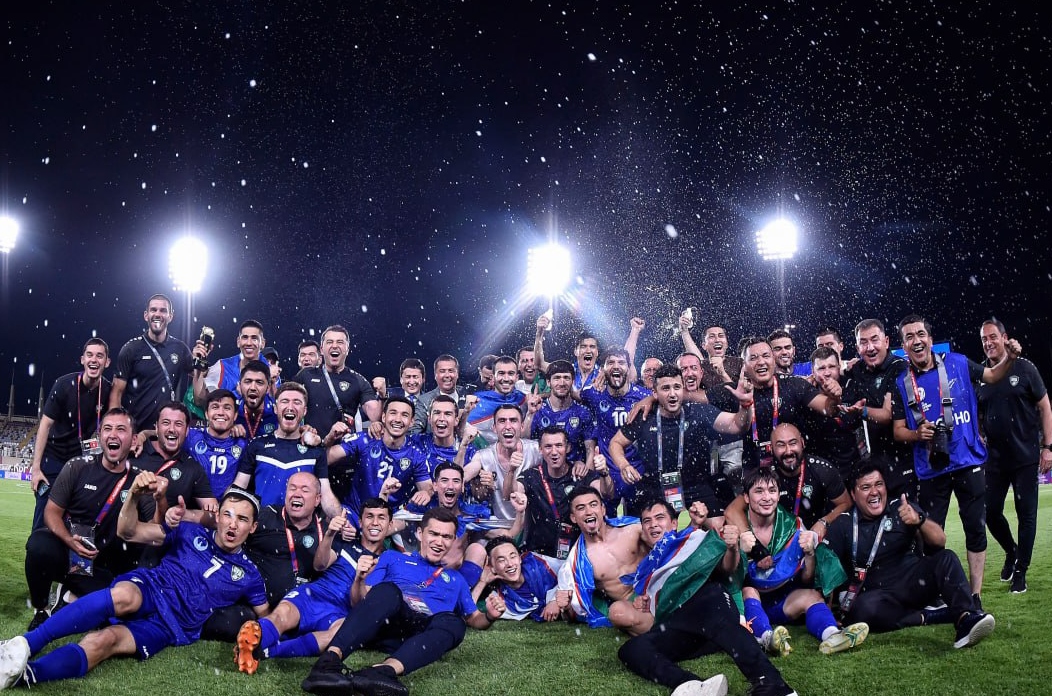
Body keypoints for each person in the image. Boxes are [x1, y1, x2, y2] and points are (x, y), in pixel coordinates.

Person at [0, 479, 267, 688]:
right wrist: (137, 497)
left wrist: (257, 641)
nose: (233, 524)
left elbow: (268, 619)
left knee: (105, 641)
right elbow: (129, 532)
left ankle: (20, 675)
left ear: (253, 527)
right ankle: (27, 643)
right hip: (152, 587)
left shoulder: (250, 575)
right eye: (228, 515)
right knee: (125, 596)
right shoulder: (189, 531)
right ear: (218, 516)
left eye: (242, 519)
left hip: (172, 626)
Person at [300, 507, 506, 696]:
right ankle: (328, 662)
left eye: (446, 537)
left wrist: (489, 615)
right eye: (434, 534)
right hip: (387, 623)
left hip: (420, 635)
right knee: (388, 591)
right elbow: (361, 602)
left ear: (453, 541)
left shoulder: (456, 579)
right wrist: (359, 579)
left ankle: (382, 672)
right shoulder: (392, 557)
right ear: (420, 534)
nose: (439, 541)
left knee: (455, 622)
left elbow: (474, 618)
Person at [891, 313, 1021, 598]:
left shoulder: (958, 363)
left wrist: (1009, 359)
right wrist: (917, 434)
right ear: (903, 345)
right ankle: (936, 595)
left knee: (975, 530)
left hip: (967, 460)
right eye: (909, 337)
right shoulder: (902, 382)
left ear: (930, 339)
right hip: (931, 468)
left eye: (920, 334)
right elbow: (898, 430)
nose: (916, 340)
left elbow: (992, 376)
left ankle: (975, 596)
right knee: (931, 536)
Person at [618, 499, 799, 696]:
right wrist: (643, 602)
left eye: (659, 518)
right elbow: (652, 601)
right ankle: (693, 685)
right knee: (632, 649)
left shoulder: (697, 538)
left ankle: (773, 685)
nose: (653, 524)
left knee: (712, 605)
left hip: (709, 603)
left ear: (674, 523)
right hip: (682, 625)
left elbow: (727, 568)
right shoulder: (647, 568)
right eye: (647, 521)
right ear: (643, 530)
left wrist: (732, 548)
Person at [823, 461, 995, 648]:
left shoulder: (901, 507)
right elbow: (828, 573)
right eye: (866, 487)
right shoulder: (843, 524)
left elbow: (939, 540)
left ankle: (966, 618)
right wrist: (829, 619)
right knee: (863, 610)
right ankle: (933, 616)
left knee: (946, 558)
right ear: (853, 494)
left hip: (914, 584)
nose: (874, 492)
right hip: (879, 596)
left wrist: (919, 520)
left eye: (879, 484)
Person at [23, 408, 156, 631]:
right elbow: (51, 513)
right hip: (72, 556)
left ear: (134, 440)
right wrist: (68, 540)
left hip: (107, 566)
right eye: (107, 428)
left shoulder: (139, 480)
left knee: (115, 617)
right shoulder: (77, 467)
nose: (113, 434)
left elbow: (154, 528)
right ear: (100, 435)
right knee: (38, 544)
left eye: (121, 429)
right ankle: (41, 609)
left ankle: (70, 594)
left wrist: (161, 500)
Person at [233, 498, 392, 673]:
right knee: (282, 613)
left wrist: (359, 578)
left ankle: (261, 651)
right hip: (314, 594)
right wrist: (330, 534)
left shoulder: (389, 562)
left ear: (390, 524)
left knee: (337, 637)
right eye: (369, 516)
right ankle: (253, 641)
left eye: (381, 517)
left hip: (341, 612)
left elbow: (359, 604)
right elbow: (319, 565)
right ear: (360, 522)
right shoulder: (345, 543)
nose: (375, 522)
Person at [736, 468, 865, 656]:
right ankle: (766, 639)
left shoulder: (794, 526)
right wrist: (739, 551)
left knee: (812, 595)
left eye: (772, 490)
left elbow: (806, 579)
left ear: (778, 495)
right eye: (759, 491)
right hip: (750, 605)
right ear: (746, 498)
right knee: (748, 590)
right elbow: (728, 579)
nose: (767, 497)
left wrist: (810, 553)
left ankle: (833, 635)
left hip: (783, 603)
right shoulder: (737, 528)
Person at [608, 364, 752, 519]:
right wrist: (623, 465)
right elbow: (615, 443)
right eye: (665, 388)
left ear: (683, 389)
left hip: (696, 487)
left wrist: (745, 406)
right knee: (646, 529)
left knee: (718, 526)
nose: (672, 394)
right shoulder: (644, 416)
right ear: (655, 393)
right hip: (656, 488)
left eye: (676, 387)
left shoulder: (699, 412)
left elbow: (737, 425)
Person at [975, 318, 1052, 594]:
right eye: (984, 339)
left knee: (1026, 515)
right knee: (990, 511)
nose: (988, 343)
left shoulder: (1025, 367)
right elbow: (977, 413)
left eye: (992, 337)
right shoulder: (982, 375)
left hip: (1025, 457)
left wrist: (1048, 447)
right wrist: (979, 435)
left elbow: (1045, 407)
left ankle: (1021, 571)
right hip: (995, 460)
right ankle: (1012, 551)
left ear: (1004, 337)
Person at [29, 339, 113, 530]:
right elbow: (45, 425)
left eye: (99, 356)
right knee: (43, 519)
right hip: (53, 460)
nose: (94, 360)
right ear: (82, 359)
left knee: (75, 521)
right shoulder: (64, 384)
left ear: (107, 362)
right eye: (89, 355)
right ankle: (38, 546)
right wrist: (36, 468)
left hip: (81, 464)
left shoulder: (108, 391)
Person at [233, 382, 342, 518]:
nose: (290, 407)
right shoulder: (257, 445)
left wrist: (341, 521)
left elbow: (325, 494)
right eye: (285, 401)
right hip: (263, 525)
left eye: (297, 402)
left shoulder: (315, 450)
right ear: (275, 408)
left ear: (305, 411)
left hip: (301, 526)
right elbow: (239, 488)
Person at [737, 338, 847, 471]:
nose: (761, 362)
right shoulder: (736, 392)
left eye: (766, 356)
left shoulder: (794, 385)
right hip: (755, 471)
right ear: (744, 364)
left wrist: (835, 397)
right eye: (753, 358)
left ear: (773, 359)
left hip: (795, 467)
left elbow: (829, 409)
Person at [724, 423, 851, 537]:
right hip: (777, 538)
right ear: (771, 449)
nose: (788, 451)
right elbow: (732, 511)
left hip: (813, 535)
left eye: (793, 443)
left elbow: (846, 503)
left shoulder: (822, 469)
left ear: (802, 443)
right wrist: (752, 543)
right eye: (781, 445)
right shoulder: (765, 474)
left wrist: (824, 522)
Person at [325, 396, 432, 525]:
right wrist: (329, 438)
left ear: (411, 422)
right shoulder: (365, 440)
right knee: (333, 522)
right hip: (354, 515)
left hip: (391, 520)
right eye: (393, 413)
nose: (398, 419)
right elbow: (325, 459)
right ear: (383, 417)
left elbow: (427, 487)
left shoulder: (416, 454)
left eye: (404, 415)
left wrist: (426, 493)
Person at [555, 486, 649, 629]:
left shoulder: (632, 529)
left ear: (603, 509)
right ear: (573, 518)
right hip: (632, 606)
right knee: (617, 613)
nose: (588, 512)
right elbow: (577, 609)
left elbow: (668, 546)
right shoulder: (577, 562)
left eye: (593, 505)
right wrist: (566, 607)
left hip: (658, 590)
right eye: (581, 508)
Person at [515, 426, 612, 558]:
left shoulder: (580, 473)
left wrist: (604, 473)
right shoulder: (532, 476)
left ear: (568, 448)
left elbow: (607, 493)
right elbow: (511, 492)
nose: (554, 452)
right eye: (548, 446)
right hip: (539, 556)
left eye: (559, 445)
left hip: (578, 554)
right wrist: (511, 471)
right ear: (540, 449)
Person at [579, 348, 652, 514]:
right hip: (607, 472)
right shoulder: (593, 394)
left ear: (629, 368)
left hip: (637, 469)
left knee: (640, 522)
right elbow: (577, 394)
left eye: (621, 362)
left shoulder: (644, 396)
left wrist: (652, 398)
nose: (616, 366)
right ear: (603, 369)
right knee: (605, 523)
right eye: (610, 362)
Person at [842, 319, 910, 496]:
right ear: (857, 348)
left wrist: (862, 411)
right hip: (873, 463)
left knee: (906, 510)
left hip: (903, 459)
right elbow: (835, 373)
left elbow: (887, 415)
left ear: (886, 341)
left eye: (874, 340)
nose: (870, 347)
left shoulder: (899, 367)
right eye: (863, 342)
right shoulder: (856, 370)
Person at [109, 294, 195, 433]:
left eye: (163, 310)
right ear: (146, 315)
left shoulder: (180, 348)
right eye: (153, 310)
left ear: (170, 316)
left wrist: (201, 359)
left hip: (167, 431)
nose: (158, 314)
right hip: (135, 432)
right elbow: (116, 392)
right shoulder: (131, 349)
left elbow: (199, 376)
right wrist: (116, 428)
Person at [288, 324, 380, 436]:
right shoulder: (306, 375)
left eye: (340, 342)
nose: (334, 346)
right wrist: (300, 427)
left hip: (343, 445)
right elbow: (286, 403)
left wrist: (383, 395)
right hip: (312, 444)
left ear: (347, 349)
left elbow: (375, 416)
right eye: (329, 342)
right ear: (322, 350)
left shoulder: (358, 380)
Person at [465, 404, 541, 521]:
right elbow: (461, 476)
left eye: (513, 420)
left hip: (533, 526)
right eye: (502, 421)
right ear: (494, 428)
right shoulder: (484, 456)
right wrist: (462, 447)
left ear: (522, 426)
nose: (508, 426)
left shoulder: (537, 450)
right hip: (499, 525)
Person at [524, 359, 597, 469]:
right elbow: (525, 441)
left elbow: (590, 450)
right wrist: (530, 414)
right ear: (548, 382)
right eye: (557, 378)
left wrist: (588, 476)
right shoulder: (538, 409)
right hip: (545, 473)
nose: (562, 383)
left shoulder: (583, 412)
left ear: (573, 381)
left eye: (566, 378)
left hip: (574, 473)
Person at [473, 536, 563, 622]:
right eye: (501, 560)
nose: (510, 564)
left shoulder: (540, 564)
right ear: (492, 568)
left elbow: (569, 572)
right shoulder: (499, 599)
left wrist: (555, 599)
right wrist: (482, 582)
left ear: (520, 558)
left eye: (513, 557)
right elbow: (469, 614)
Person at [183, 388, 248, 496]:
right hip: (193, 503)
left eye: (227, 408)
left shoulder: (243, 444)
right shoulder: (191, 436)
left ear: (235, 415)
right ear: (206, 414)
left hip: (228, 504)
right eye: (215, 407)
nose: (221, 413)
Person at [194, 320, 268, 407]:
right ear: (238, 342)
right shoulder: (222, 367)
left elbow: (275, 407)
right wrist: (198, 364)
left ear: (262, 343)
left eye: (254, 338)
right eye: (245, 337)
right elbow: (200, 401)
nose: (249, 343)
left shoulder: (271, 372)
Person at [465, 355, 527, 446]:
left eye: (510, 373)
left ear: (517, 377)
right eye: (501, 373)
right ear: (493, 377)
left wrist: (530, 413)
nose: (506, 379)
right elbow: (462, 433)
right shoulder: (476, 403)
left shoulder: (524, 400)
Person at [411, 354, 468, 435]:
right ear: (435, 375)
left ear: (457, 374)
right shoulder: (424, 401)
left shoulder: (466, 394)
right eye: (442, 371)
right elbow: (414, 433)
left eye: (451, 371)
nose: (447, 375)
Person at [232, 360, 278, 440]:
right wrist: (227, 428)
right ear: (240, 386)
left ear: (268, 388)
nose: (253, 388)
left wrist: (302, 430)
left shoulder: (278, 412)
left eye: (259, 382)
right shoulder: (230, 412)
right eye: (248, 382)